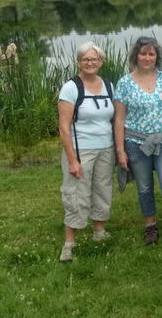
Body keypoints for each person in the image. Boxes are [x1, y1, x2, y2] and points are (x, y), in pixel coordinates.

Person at [114, 36, 162, 244]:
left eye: (151, 53)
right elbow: (119, 118)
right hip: (136, 143)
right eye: (143, 53)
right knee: (145, 188)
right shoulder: (124, 83)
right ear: (135, 56)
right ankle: (150, 226)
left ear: (156, 56)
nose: (147, 57)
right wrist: (120, 150)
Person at [58, 42, 115, 263]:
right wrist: (72, 160)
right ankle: (69, 243)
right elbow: (64, 127)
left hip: (106, 148)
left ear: (101, 62)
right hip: (81, 149)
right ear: (79, 62)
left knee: (102, 189)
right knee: (76, 193)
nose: (90, 63)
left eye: (94, 59)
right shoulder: (71, 88)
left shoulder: (109, 86)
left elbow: (115, 118)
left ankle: (99, 232)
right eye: (85, 59)